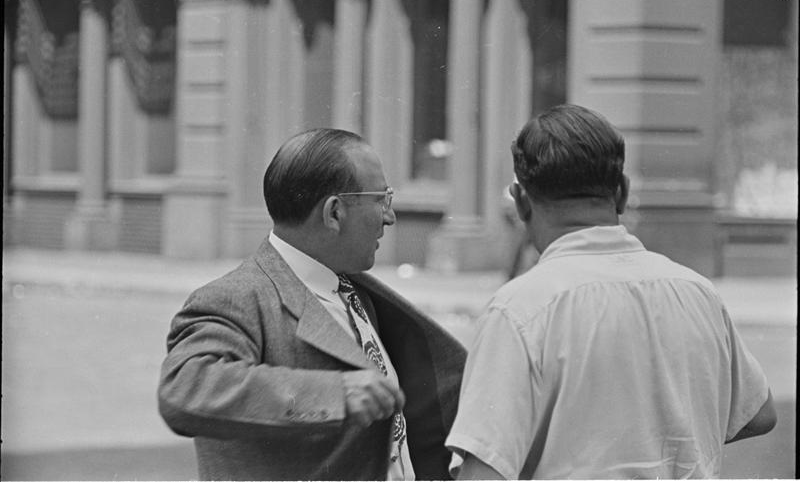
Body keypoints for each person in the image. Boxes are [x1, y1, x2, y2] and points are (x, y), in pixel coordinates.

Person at [445, 104, 777, 479]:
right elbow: (758, 412)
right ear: (622, 193)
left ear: (521, 200)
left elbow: (484, 473)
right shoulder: (697, 292)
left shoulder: (519, 309)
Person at [158, 128, 466, 480]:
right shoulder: (236, 298)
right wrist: (335, 394)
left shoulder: (355, 289)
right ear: (334, 213)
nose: (389, 216)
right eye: (380, 199)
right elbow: (186, 388)